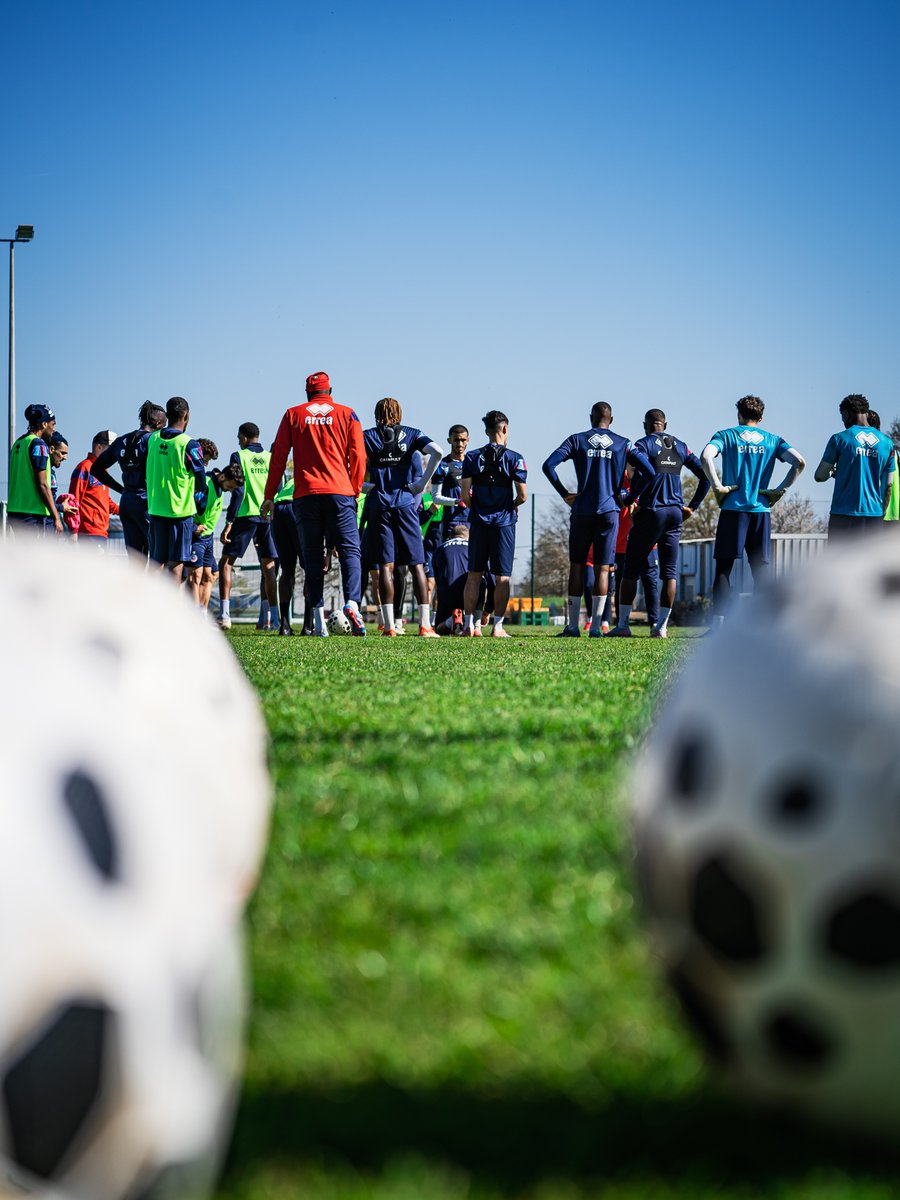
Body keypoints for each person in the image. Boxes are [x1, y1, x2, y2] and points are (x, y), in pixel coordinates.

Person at [261, 371, 367, 637]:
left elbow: (278, 456)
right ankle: (352, 603)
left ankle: (319, 622)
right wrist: (355, 489)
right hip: (341, 492)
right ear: (330, 391)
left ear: (307, 393)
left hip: (306, 494)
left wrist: (270, 495)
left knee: (312, 556)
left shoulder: (292, 414)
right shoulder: (348, 414)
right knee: (350, 551)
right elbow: (358, 455)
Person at [542, 401, 651, 637]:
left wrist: (564, 494)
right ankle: (596, 628)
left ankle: (573, 627)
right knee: (603, 569)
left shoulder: (576, 439)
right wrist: (629, 498)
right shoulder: (624, 443)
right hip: (609, 511)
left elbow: (548, 466)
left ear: (591, 418)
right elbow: (649, 472)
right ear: (611, 420)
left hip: (582, 510)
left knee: (577, 566)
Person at [701, 395, 806, 625]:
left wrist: (717, 486)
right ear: (761, 417)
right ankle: (762, 625)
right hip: (761, 511)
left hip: (733, 509)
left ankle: (719, 627)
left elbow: (706, 456)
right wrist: (780, 490)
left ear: (739, 414)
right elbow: (799, 462)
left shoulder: (726, 435)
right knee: (760, 570)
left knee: (723, 569)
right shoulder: (773, 440)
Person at [607, 408, 709, 639]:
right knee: (669, 573)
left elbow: (645, 473)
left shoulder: (643, 444)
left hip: (652, 511)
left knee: (630, 570)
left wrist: (631, 500)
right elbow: (705, 476)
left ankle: (623, 625)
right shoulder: (681, 446)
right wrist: (692, 506)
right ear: (665, 424)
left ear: (646, 425)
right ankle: (661, 627)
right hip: (675, 512)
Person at [363, 397, 443, 638]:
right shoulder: (412, 434)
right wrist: (421, 484)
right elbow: (438, 452)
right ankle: (425, 625)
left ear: (376, 414)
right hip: (405, 503)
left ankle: (389, 626)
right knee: (416, 564)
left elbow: (342, 459)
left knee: (385, 565)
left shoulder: (366, 436)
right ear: (400, 413)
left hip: (379, 504)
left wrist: (364, 487)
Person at [460, 410, 527, 638]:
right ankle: (497, 627)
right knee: (502, 577)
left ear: (486, 431)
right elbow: (522, 495)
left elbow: (465, 496)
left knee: (473, 575)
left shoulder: (471, 457)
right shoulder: (515, 458)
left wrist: (478, 508)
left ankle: (468, 626)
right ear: (505, 429)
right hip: (503, 523)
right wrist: (511, 505)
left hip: (479, 522)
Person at [218, 423, 278, 630]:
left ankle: (225, 616)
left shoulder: (239, 456)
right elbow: (278, 486)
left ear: (244, 438)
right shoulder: (270, 457)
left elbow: (238, 490)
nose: (238, 442)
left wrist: (229, 521)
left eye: (238, 438)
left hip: (246, 515)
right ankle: (274, 619)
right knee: (269, 566)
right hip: (267, 517)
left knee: (226, 563)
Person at [90, 402, 167, 557]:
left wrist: (122, 490)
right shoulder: (154, 441)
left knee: (135, 559)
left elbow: (96, 469)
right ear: (158, 424)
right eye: (163, 427)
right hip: (147, 502)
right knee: (158, 556)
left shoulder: (121, 441)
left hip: (127, 502)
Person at [146, 396, 208, 581]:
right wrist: (201, 503)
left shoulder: (153, 439)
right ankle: (171, 600)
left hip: (156, 509)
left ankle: (151, 598)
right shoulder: (189, 444)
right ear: (186, 416)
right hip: (180, 513)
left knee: (156, 562)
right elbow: (201, 480)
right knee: (176, 564)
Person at [814, 394, 895, 538]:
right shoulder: (887, 443)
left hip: (843, 514)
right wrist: (881, 512)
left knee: (839, 554)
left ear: (846, 414)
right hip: (874, 515)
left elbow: (820, 476)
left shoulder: (839, 439)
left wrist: (832, 472)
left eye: (842, 417)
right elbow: (888, 485)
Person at [190, 461, 243, 612]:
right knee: (195, 575)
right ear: (222, 477)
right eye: (230, 487)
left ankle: (202, 614)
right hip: (196, 537)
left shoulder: (220, 486)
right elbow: (187, 505)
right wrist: (193, 527)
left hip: (208, 538)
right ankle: (192, 617)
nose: (230, 491)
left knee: (212, 574)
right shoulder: (205, 486)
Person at [7, 404, 62, 535]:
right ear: (44, 424)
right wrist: (56, 517)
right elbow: (42, 484)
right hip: (33, 514)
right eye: (53, 424)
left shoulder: (18, 443)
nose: (54, 429)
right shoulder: (39, 445)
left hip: (15, 511)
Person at [270, 473, 310, 636]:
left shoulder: (295, 477)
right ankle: (308, 625)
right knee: (310, 568)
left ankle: (284, 625)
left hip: (279, 509)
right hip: (298, 506)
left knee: (287, 570)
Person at [69, 431, 121, 549]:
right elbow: (74, 500)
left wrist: (123, 509)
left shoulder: (102, 470)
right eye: (110, 450)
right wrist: (74, 530)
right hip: (88, 532)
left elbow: (104, 500)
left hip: (101, 531)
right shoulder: (84, 467)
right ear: (99, 447)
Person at [431, 425, 471, 536]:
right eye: (456, 440)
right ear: (449, 440)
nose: (460, 444)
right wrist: (456, 502)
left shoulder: (472, 463)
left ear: (468, 440)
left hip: (472, 519)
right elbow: (435, 497)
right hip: (452, 521)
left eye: (463, 440)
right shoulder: (442, 465)